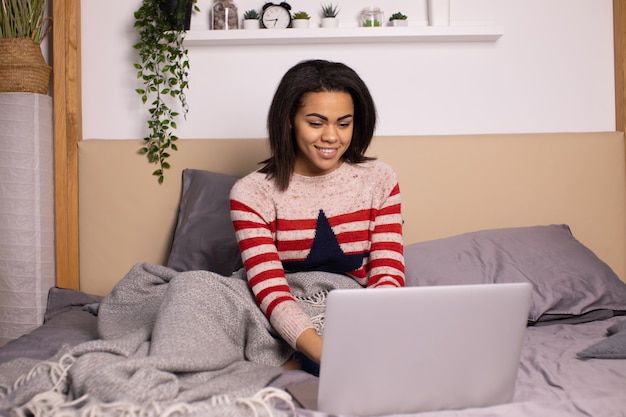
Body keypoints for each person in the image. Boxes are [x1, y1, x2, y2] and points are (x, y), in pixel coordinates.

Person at [229, 59, 405, 373]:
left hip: (350, 314)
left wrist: (369, 333)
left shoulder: (380, 179)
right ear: (289, 122)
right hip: (275, 312)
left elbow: (387, 275)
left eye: (343, 123)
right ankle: (285, 360)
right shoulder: (251, 192)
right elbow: (271, 290)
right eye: (316, 122)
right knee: (193, 287)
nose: (331, 137)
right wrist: (326, 355)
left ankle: (288, 364)